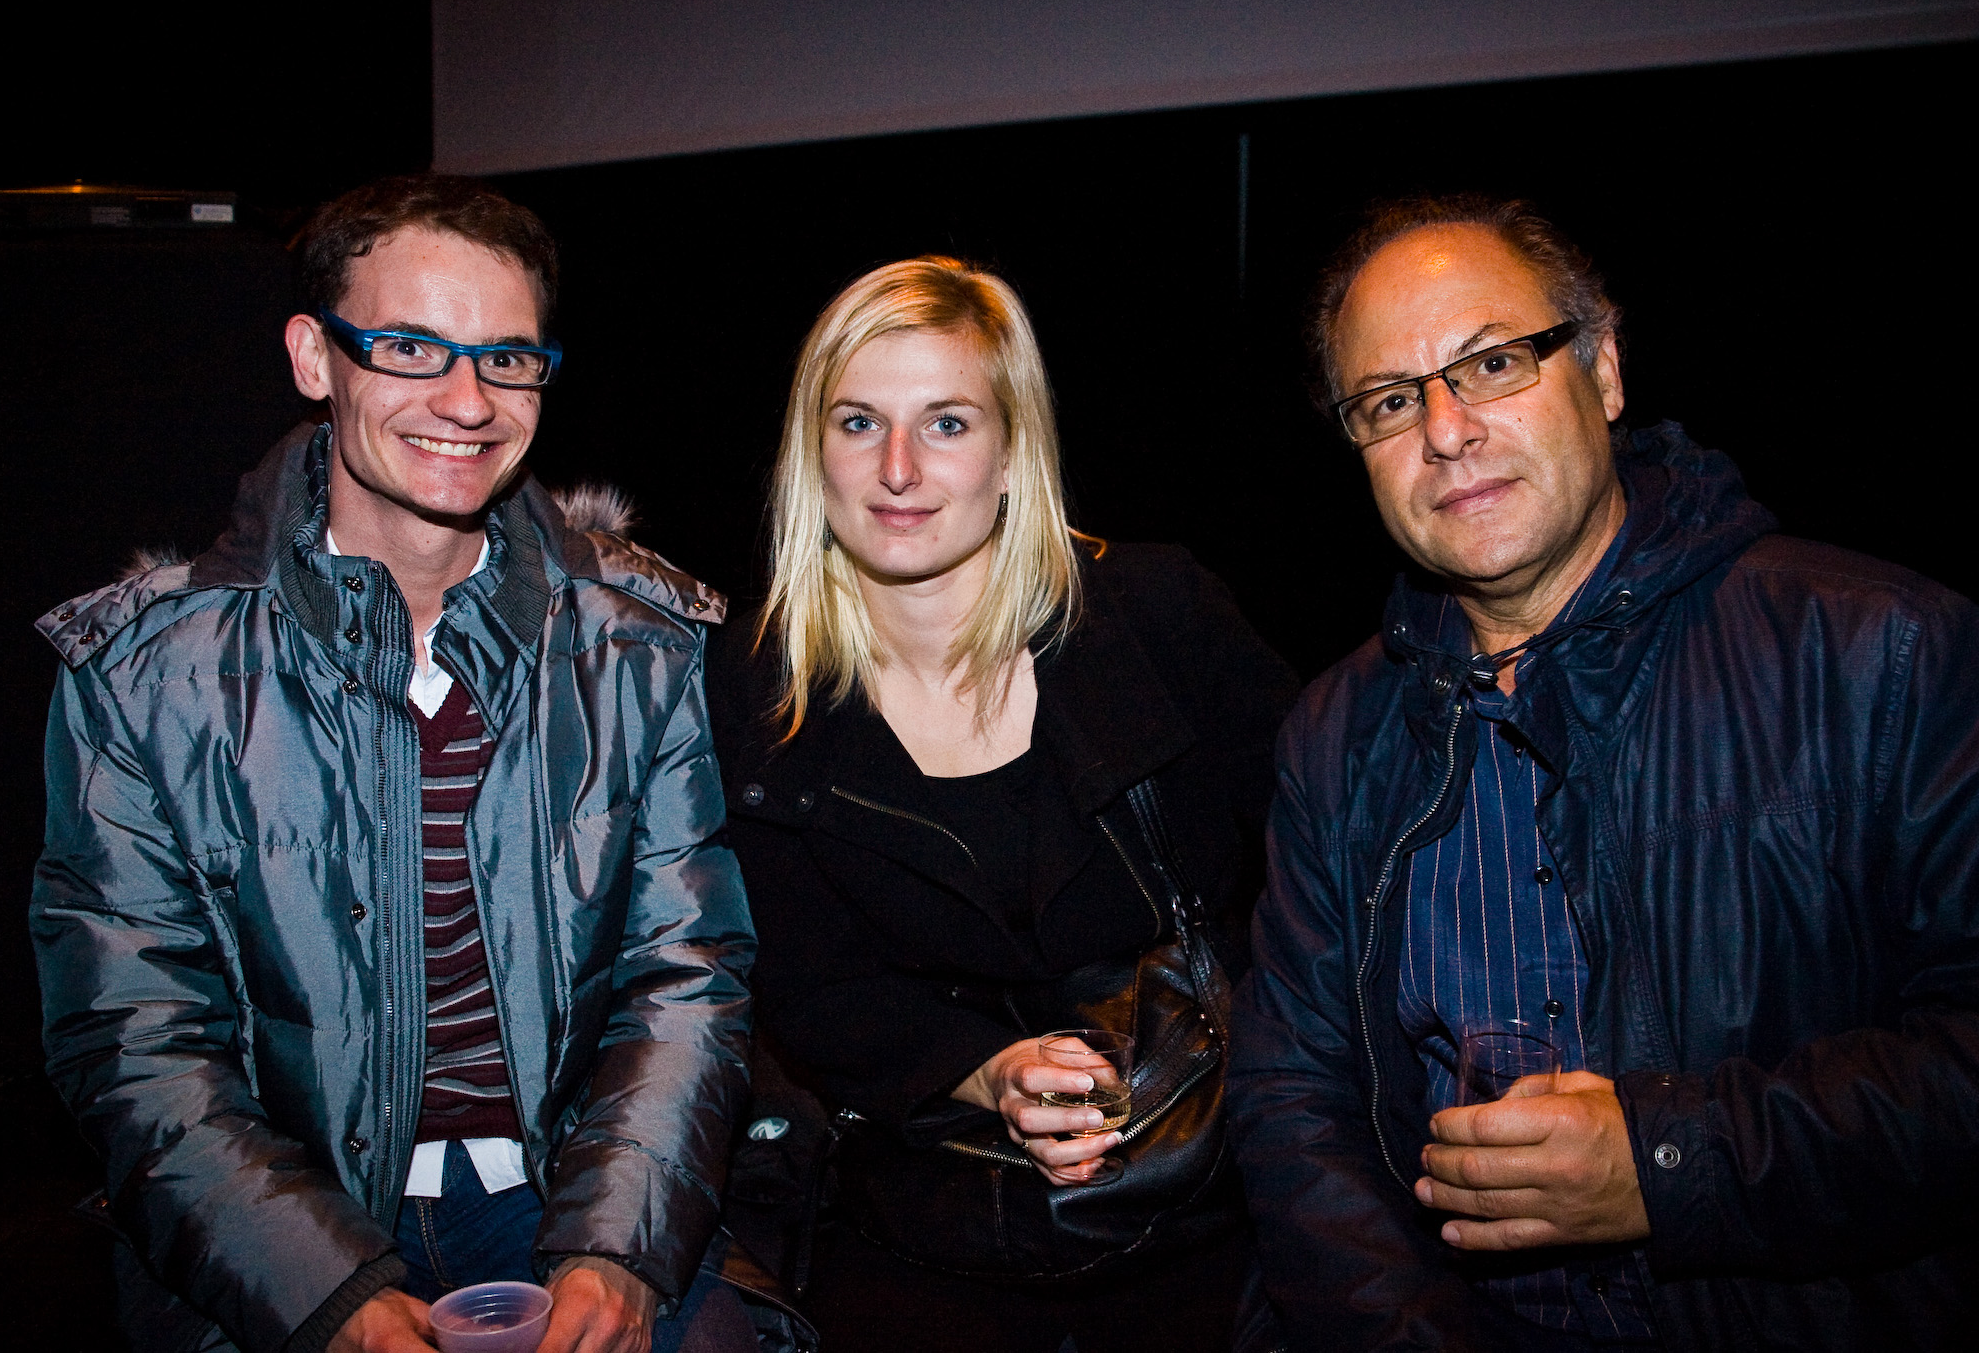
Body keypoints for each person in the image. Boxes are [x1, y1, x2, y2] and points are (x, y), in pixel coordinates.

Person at [1227, 193, 1979, 1351]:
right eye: (1388, 401)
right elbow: (1294, 1108)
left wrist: (1669, 1163)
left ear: (1604, 371)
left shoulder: (1880, 650)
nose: (1444, 430)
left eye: (1487, 364)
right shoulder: (1333, 733)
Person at [30, 175, 759, 1353]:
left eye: (506, 360)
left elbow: (683, 978)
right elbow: (134, 1037)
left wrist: (615, 1249)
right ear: (316, 359)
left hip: (568, 1197)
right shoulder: (141, 672)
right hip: (285, 1220)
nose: (466, 401)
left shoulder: (638, 642)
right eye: (411, 348)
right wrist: (326, 1292)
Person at [706, 256, 1300, 1353]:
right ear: (810, 454)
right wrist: (985, 1071)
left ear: (1013, 448)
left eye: (944, 422)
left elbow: (1313, 867)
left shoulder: (1154, 613)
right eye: (855, 422)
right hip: (928, 1231)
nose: (895, 469)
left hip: (1214, 1220)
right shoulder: (752, 684)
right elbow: (804, 978)